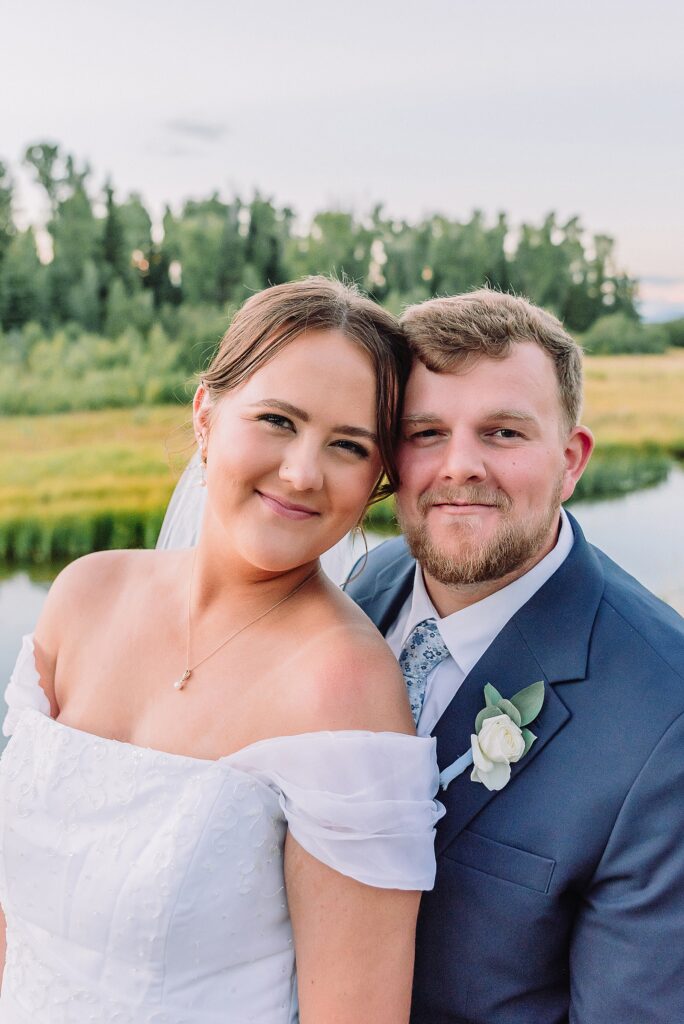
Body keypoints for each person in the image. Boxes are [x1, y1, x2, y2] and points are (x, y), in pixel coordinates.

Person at [0, 277, 444, 1023]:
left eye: (347, 445)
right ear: (206, 415)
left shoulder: (343, 691)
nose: (303, 473)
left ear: (375, 479)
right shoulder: (83, 598)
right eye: (277, 419)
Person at [345, 289, 684, 1023]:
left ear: (571, 460)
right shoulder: (365, 586)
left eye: (502, 432)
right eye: (425, 432)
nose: (458, 466)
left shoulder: (667, 718)